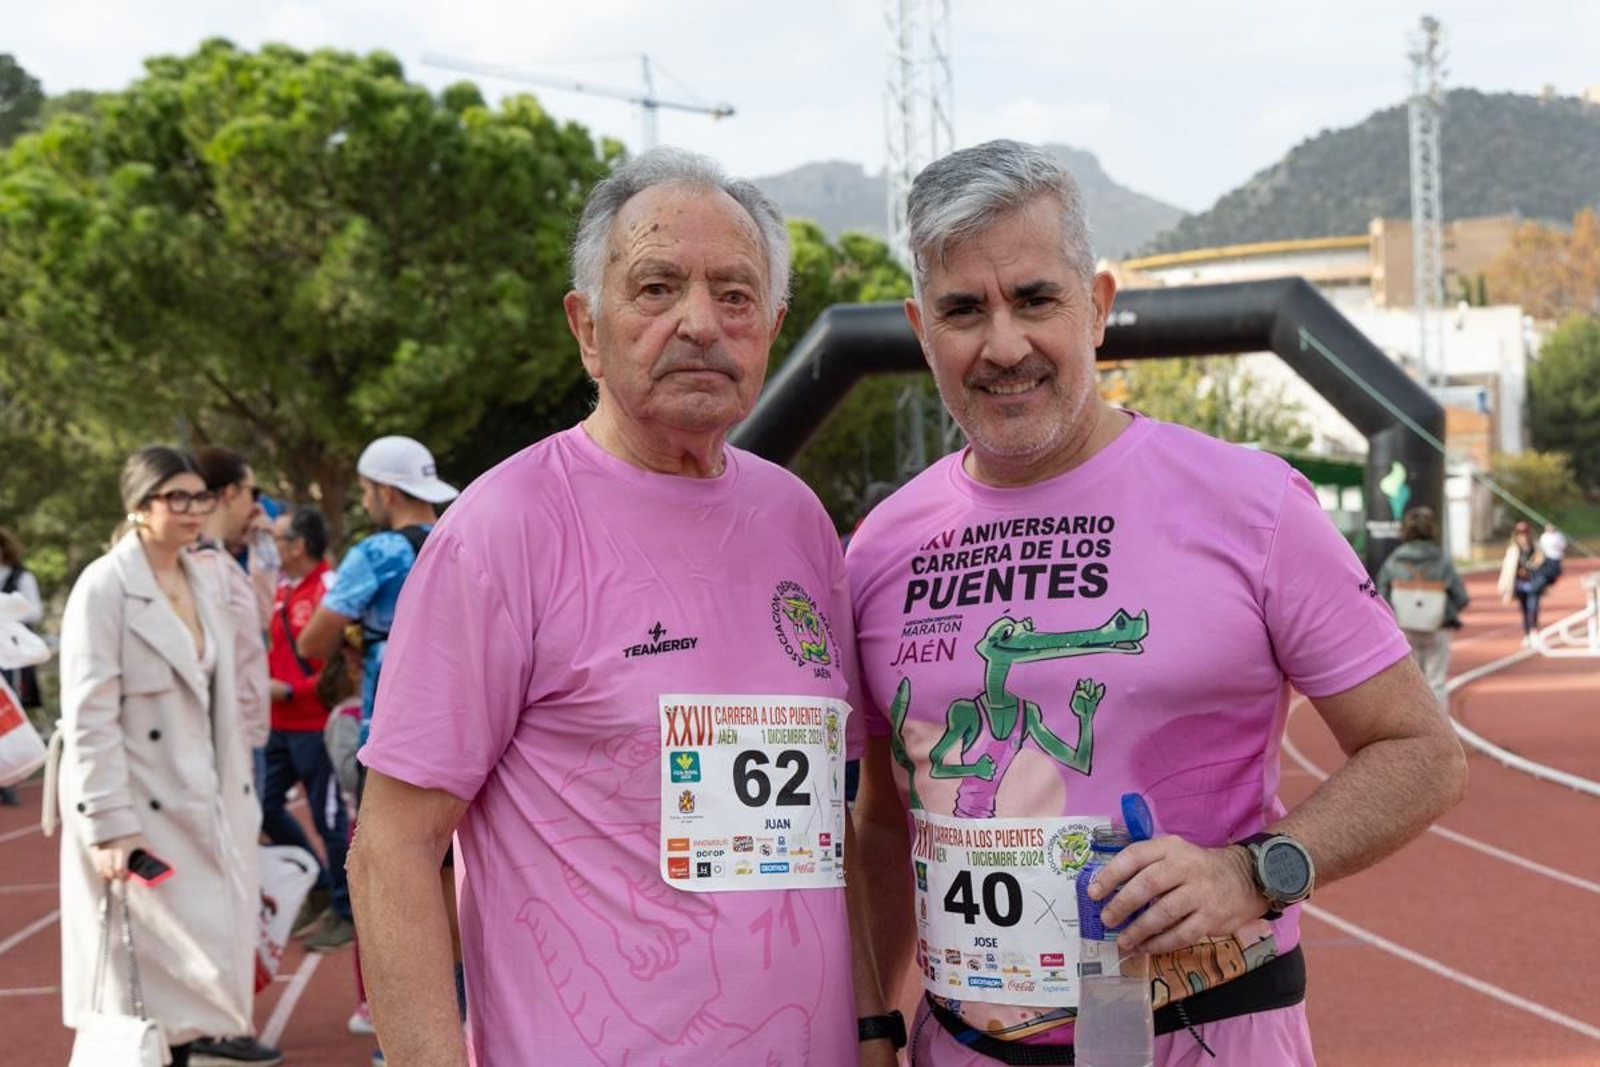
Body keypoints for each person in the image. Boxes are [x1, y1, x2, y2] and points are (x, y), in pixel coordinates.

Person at [847, 140, 1467, 1065]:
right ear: (920, 326)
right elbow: (885, 822)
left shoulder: (1253, 505)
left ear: (1096, 306)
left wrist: (1252, 872)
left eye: (1036, 298)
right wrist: (871, 1026)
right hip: (963, 1045)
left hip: (1206, 1036)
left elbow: (1422, 752)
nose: (1004, 343)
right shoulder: (880, 546)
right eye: (963, 310)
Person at [346, 148, 894, 1066]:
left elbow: (817, 832)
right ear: (586, 328)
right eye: (655, 287)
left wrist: (874, 1022)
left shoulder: (797, 521)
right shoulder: (502, 530)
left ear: (772, 326)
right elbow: (392, 849)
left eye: (734, 293)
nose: (699, 324)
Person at [54, 447, 262, 1067]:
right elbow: (89, 715)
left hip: (209, 803)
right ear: (139, 505)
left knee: (201, 974)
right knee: (145, 990)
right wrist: (110, 824)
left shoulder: (203, 578)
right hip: (142, 819)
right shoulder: (105, 586)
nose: (194, 510)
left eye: (201, 496)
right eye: (177, 497)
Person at [262, 506, 354, 952]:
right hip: (276, 725)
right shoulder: (282, 587)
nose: (273, 547)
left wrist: (293, 691)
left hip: (314, 724)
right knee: (262, 806)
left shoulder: (329, 587)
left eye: (279, 539)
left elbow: (341, 667)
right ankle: (319, 882)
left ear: (298, 545)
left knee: (330, 819)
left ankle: (346, 910)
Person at [1377, 506, 1470, 709]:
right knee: (1436, 681)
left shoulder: (1393, 560)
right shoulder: (1441, 560)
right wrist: (1444, 613)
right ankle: (1440, 734)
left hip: (1405, 627)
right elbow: (1461, 596)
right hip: (1438, 628)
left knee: (1410, 683)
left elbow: (1380, 596)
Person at [0, 525, 43, 805]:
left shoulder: (21, 576)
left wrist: (11, 610)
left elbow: (34, 611)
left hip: (11, 655)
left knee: (9, 710)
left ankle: (10, 776)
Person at [1497, 520, 1544, 640]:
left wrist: (1537, 564)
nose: (1523, 537)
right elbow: (1507, 569)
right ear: (1516, 536)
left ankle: (1533, 629)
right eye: (1520, 534)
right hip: (1519, 584)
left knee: (1533, 607)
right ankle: (1527, 633)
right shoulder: (1513, 550)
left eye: (1525, 534)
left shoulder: (1536, 548)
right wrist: (1503, 587)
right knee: (1524, 609)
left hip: (1534, 583)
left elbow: (1542, 563)